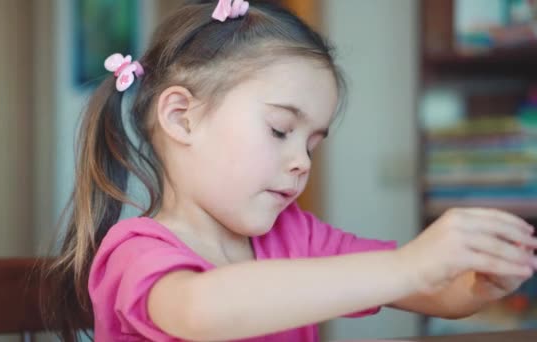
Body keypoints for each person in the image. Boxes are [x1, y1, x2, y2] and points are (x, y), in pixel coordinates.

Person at [42, 1, 537, 341]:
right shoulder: (137, 252)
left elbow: (424, 287)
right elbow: (200, 311)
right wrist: (409, 264)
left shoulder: (296, 234)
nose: (302, 161)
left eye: (313, 145)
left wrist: (475, 285)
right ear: (181, 117)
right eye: (280, 130)